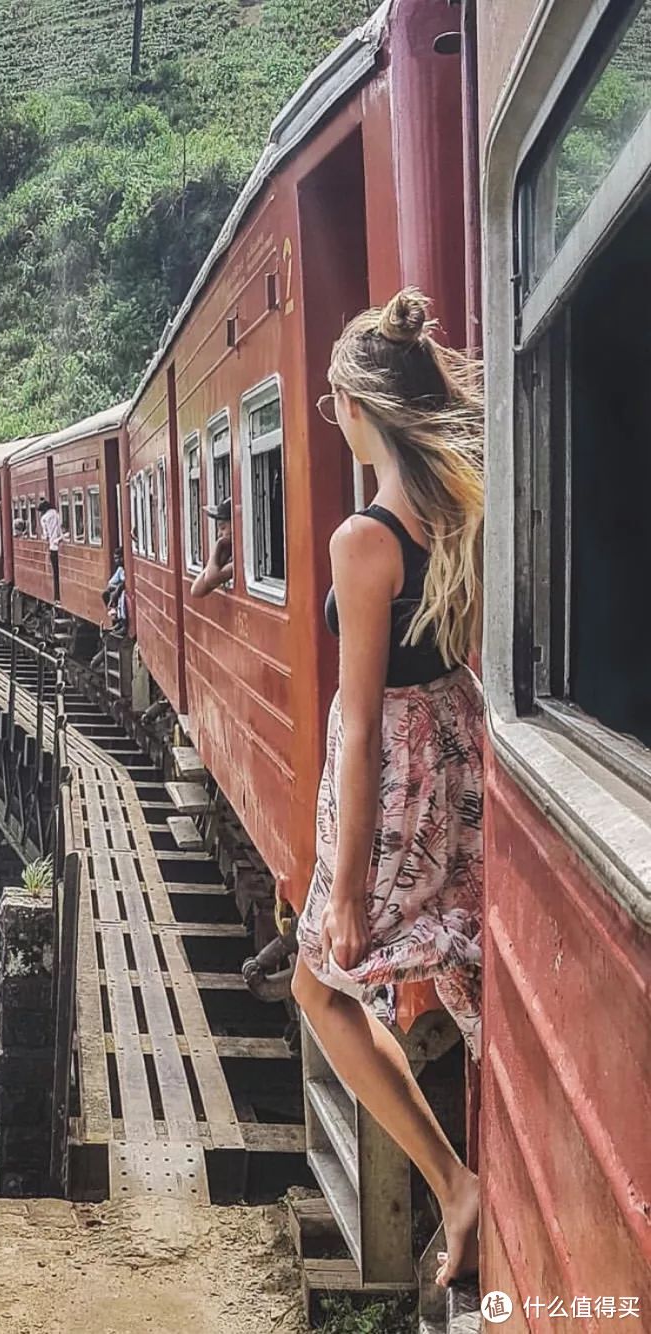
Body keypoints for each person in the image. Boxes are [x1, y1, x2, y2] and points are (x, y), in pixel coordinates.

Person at [291, 288, 484, 1290]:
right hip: (458, 736)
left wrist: (352, 890)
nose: (336, 422)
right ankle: (454, 1165)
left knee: (319, 983)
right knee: (444, 942)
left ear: (361, 409)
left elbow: (361, 721)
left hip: (401, 763)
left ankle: (455, 1184)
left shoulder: (366, 538)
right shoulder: (460, 505)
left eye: (334, 405)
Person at [190, 497, 234, 596]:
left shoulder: (241, 559)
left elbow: (211, 579)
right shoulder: (229, 552)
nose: (219, 534)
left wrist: (218, 545)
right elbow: (196, 590)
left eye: (223, 527)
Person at [38, 497, 63, 602]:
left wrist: (43, 537)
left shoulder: (44, 518)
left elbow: (46, 535)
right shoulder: (57, 514)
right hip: (60, 544)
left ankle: (57, 596)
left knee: (55, 573)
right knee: (60, 573)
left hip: (53, 547)